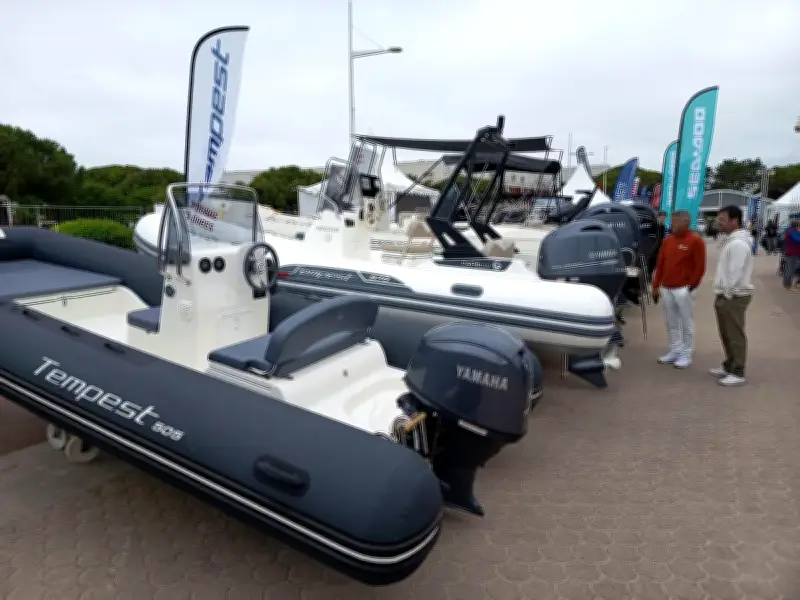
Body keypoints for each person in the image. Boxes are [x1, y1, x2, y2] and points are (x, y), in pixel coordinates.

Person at [651, 210, 707, 369]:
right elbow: (660, 264)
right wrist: (655, 285)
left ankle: (686, 353)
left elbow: (700, 266)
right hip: (667, 287)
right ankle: (675, 350)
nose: (672, 224)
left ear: (686, 222)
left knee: (686, 322)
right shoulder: (667, 241)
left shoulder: (695, 241)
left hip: (684, 289)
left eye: (675, 221)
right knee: (671, 321)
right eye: (672, 221)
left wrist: (691, 285)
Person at [711, 205, 755, 386]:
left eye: (722, 219)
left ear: (734, 220)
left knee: (734, 334)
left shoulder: (738, 244)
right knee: (726, 333)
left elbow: (734, 273)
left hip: (734, 296)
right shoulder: (731, 241)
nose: (719, 223)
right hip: (727, 294)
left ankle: (738, 372)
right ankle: (729, 365)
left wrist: (727, 294)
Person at [783, 219, 800, 291]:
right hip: (792, 253)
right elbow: (797, 240)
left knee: (789, 268)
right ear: (797, 225)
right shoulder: (792, 232)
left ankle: (787, 285)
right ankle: (787, 286)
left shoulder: (790, 231)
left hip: (792, 252)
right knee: (790, 269)